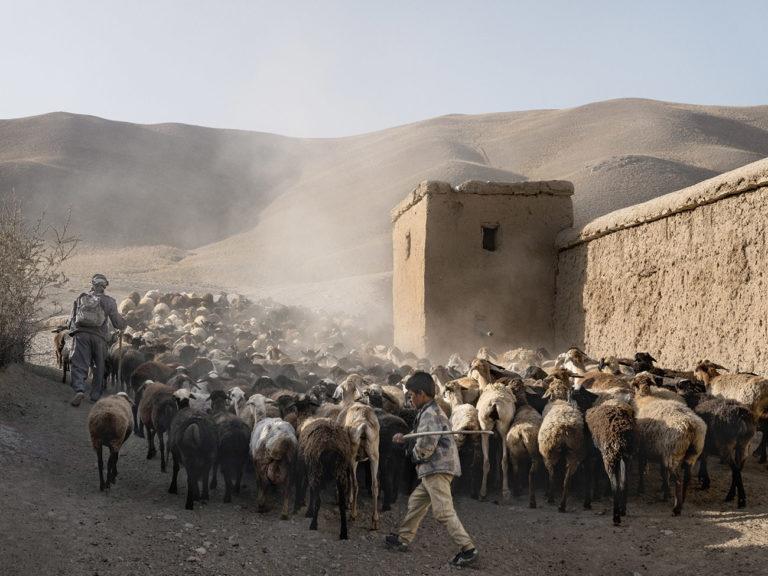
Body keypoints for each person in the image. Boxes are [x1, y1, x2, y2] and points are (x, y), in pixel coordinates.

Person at [385, 371, 479, 568]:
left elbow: (426, 446)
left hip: (437, 468)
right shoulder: (429, 411)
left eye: (411, 395)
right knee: (417, 502)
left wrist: (410, 453)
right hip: (433, 469)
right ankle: (403, 538)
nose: (410, 399)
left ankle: (468, 549)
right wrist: (406, 437)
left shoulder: (429, 414)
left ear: (421, 393)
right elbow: (421, 434)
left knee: (443, 512)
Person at [68, 274, 126, 406]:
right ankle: (95, 396)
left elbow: (71, 320)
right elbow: (117, 323)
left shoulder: (81, 298)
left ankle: (79, 389)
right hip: (99, 338)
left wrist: (74, 333)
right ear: (104, 286)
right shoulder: (109, 301)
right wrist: (124, 324)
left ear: (92, 284)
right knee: (99, 366)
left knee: (79, 364)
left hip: (81, 335)